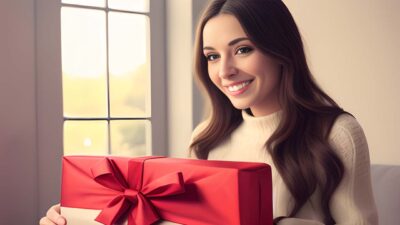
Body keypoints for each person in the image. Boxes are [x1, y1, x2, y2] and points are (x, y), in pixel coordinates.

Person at [40, 0, 378, 224]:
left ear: (280, 50)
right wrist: (74, 217)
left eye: (242, 49)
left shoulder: (337, 132)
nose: (225, 70)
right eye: (212, 56)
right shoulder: (205, 139)